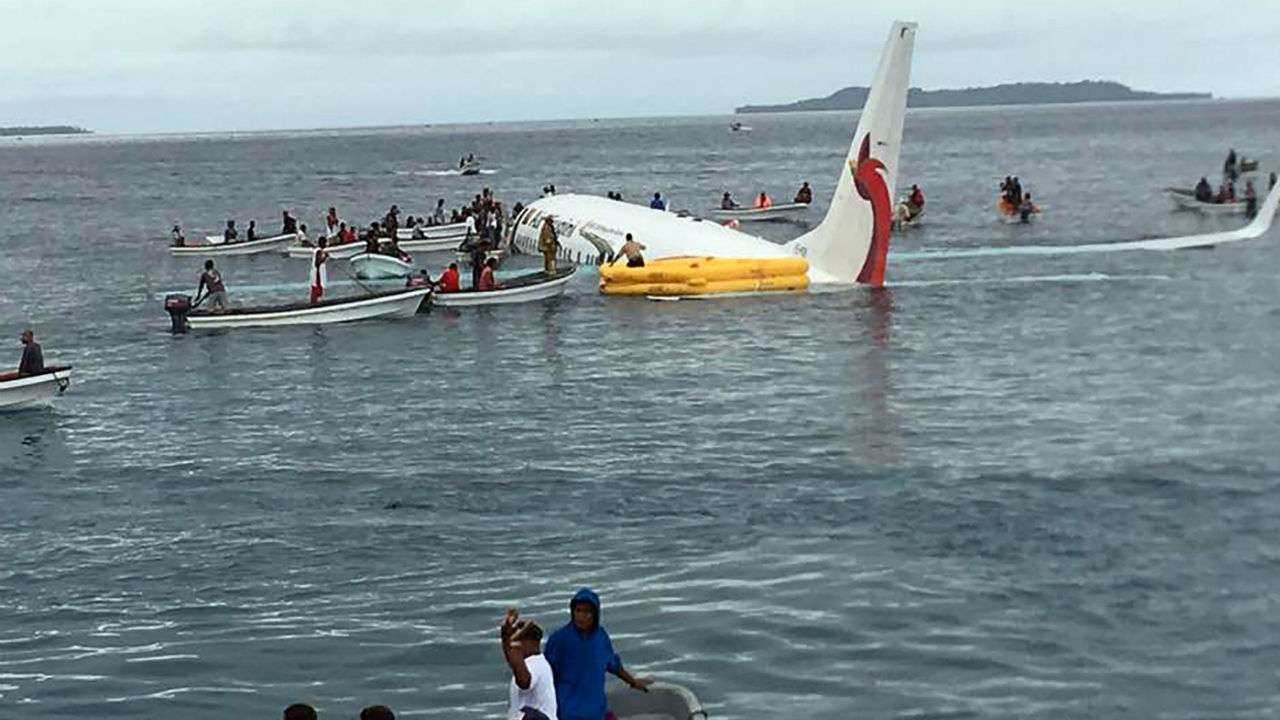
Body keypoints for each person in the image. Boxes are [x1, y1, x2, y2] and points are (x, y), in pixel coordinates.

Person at [545, 588, 651, 720]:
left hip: (596, 710)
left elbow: (614, 665)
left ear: (595, 614)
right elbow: (546, 673)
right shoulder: (559, 639)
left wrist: (633, 682)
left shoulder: (600, 637)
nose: (581, 616)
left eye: (587, 612)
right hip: (568, 711)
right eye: (578, 611)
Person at [501, 609, 558, 720]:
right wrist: (505, 639)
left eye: (517, 641)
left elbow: (524, 682)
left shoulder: (535, 663)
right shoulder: (533, 663)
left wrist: (513, 650)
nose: (514, 645)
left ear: (531, 642)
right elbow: (513, 661)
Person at [310, 236, 329, 304]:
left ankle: (315, 302)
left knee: (315, 288)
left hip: (315, 272)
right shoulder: (319, 251)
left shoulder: (316, 250)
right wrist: (325, 258)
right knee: (318, 289)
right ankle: (317, 303)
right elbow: (317, 263)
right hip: (318, 274)